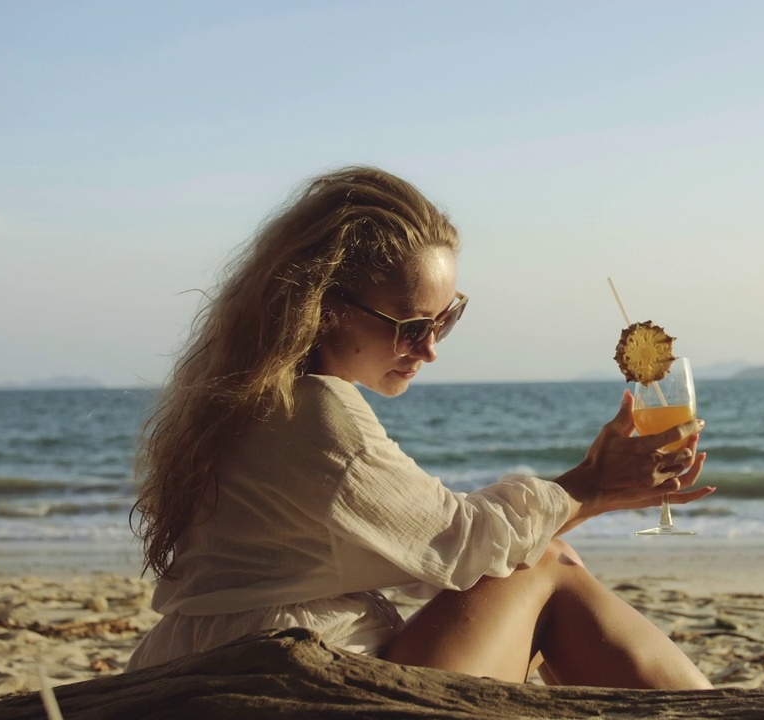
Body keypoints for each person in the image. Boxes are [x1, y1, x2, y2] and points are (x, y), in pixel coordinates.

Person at [127, 166, 715, 689]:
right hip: (290, 691)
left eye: (446, 318)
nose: (429, 350)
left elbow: (428, 550)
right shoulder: (317, 413)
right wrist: (590, 486)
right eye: (411, 325)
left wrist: (592, 490)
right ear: (321, 305)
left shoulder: (245, 400)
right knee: (547, 567)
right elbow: (461, 543)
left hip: (218, 671)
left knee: (537, 556)